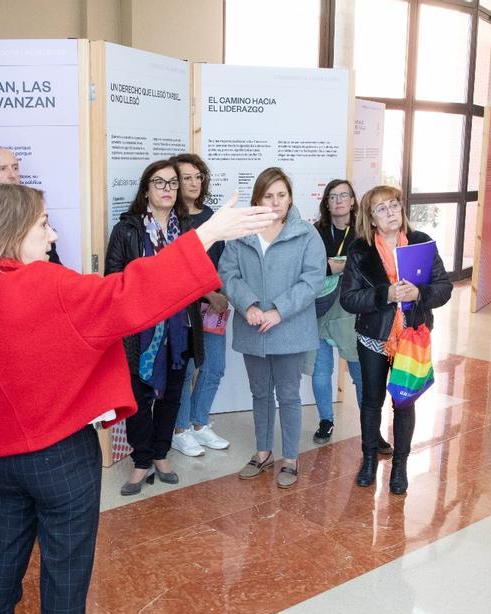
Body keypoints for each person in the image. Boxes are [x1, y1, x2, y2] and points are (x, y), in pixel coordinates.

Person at [0, 183, 275, 614]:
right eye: (44, 224)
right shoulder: (47, 285)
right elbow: (130, 293)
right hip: (59, 457)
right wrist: (208, 233)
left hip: (0, 460)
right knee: (65, 579)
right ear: (14, 231)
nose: (52, 234)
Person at [340, 185, 453, 495]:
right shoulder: (360, 251)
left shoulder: (421, 243)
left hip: (411, 339)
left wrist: (421, 293)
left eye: (394, 205)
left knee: (404, 402)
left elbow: (444, 287)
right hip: (374, 338)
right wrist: (384, 294)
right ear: (371, 218)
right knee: (372, 402)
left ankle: (400, 466)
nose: (390, 212)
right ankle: (368, 462)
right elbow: (348, 299)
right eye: (381, 208)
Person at [219, 167, 326, 489]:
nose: (275, 201)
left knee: (289, 395)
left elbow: (313, 280)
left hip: (289, 329)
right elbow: (228, 274)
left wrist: (279, 311)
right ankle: (263, 452)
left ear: (290, 198)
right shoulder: (241, 234)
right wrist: (248, 305)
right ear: (257, 199)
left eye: (281, 195)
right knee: (261, 393)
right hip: (253, 328)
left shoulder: (306, 235)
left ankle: (290, 458)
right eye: (268, 195)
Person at [105, 160, 205, 495]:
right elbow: (112, 279)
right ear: (146, 188)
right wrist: (150, 285)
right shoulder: (127, 229)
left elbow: (197, 277)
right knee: (138, 398)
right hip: (139, 331)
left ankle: (161, 454)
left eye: (173, 183)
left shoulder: (188, 231)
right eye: (159, 182)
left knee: (171, 396)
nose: (167, 189)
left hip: (180, 329)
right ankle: (141, 460)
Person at [309, 179, 384, 451]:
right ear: (326, 202)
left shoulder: (365, 232)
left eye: (344, 195)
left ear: (353, 201)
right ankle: (325, 421)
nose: (338, 200)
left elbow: (371, 268)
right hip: (318, 309)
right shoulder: (315, 232)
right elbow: (313, 269)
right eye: (332, 196)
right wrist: (343, 266)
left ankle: (372, 430)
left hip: (353, 312)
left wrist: (334, 265)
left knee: (361, 371)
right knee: (321, 372)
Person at [170, 153, 231, 457]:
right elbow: (179, 266)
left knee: (215, 367)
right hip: (186, 307)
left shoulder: (211, 214)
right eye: (186, 178)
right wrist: (209, 295)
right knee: (187, 368)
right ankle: (179, 430)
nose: (194, 183)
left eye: (198, 177)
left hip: (216, 306)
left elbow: (222, 259)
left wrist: (223, 293)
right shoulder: (173, 219)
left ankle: (199, 423)